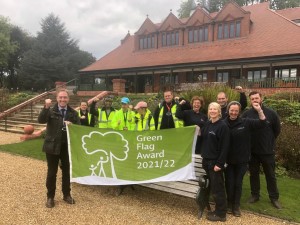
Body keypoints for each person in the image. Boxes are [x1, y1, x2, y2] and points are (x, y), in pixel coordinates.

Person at [38, 89, 80, 208]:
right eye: (60, 97)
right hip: (52, 145)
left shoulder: (73, 113)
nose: (63, 99)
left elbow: (79, 128)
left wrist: (73, 126)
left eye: (65, 97)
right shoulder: (51, 111)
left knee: (66, 171)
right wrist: (46, 107)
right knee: (52, 172)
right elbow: (41, 120)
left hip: (66, 146)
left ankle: (66, 194)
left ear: (68, 99)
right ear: (57, 98)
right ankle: (50, 197)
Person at [224, 101, 266, 217]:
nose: (233, 112)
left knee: (238, 183)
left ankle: (236, 206)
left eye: (236, 111)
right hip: (228, 161)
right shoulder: (223, 123)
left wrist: (259, 110)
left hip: (242, 160)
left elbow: (263, 123)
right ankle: (229, 204)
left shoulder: (245, 122)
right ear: (228, 110)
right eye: (231, 110)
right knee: (229, 183)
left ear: (239, 111)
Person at [242, 91, 282, 209]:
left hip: (267, 151)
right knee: (253, 174)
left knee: (270, 175)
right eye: (252, 99)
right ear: (250, 100)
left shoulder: (271, 113)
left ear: (261, 99)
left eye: (256, 98)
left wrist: (268, 141)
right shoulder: (246, 114)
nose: (255, 100)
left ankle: (274, 198)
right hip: (252, 151)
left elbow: (277, 130)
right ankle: (255, 195)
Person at [198, 102, 230, 222]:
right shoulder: (207, 124)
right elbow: (203, 137)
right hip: (206, 161)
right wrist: (197, 130)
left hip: (214, 163)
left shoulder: (222, 126)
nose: (212, 111)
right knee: (213, 187)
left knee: (218, 189)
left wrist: (219, 164)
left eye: (215, 109)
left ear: (219, 111)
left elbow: (225, 147)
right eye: (210, 109)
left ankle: (221, 214)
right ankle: (217, 209)